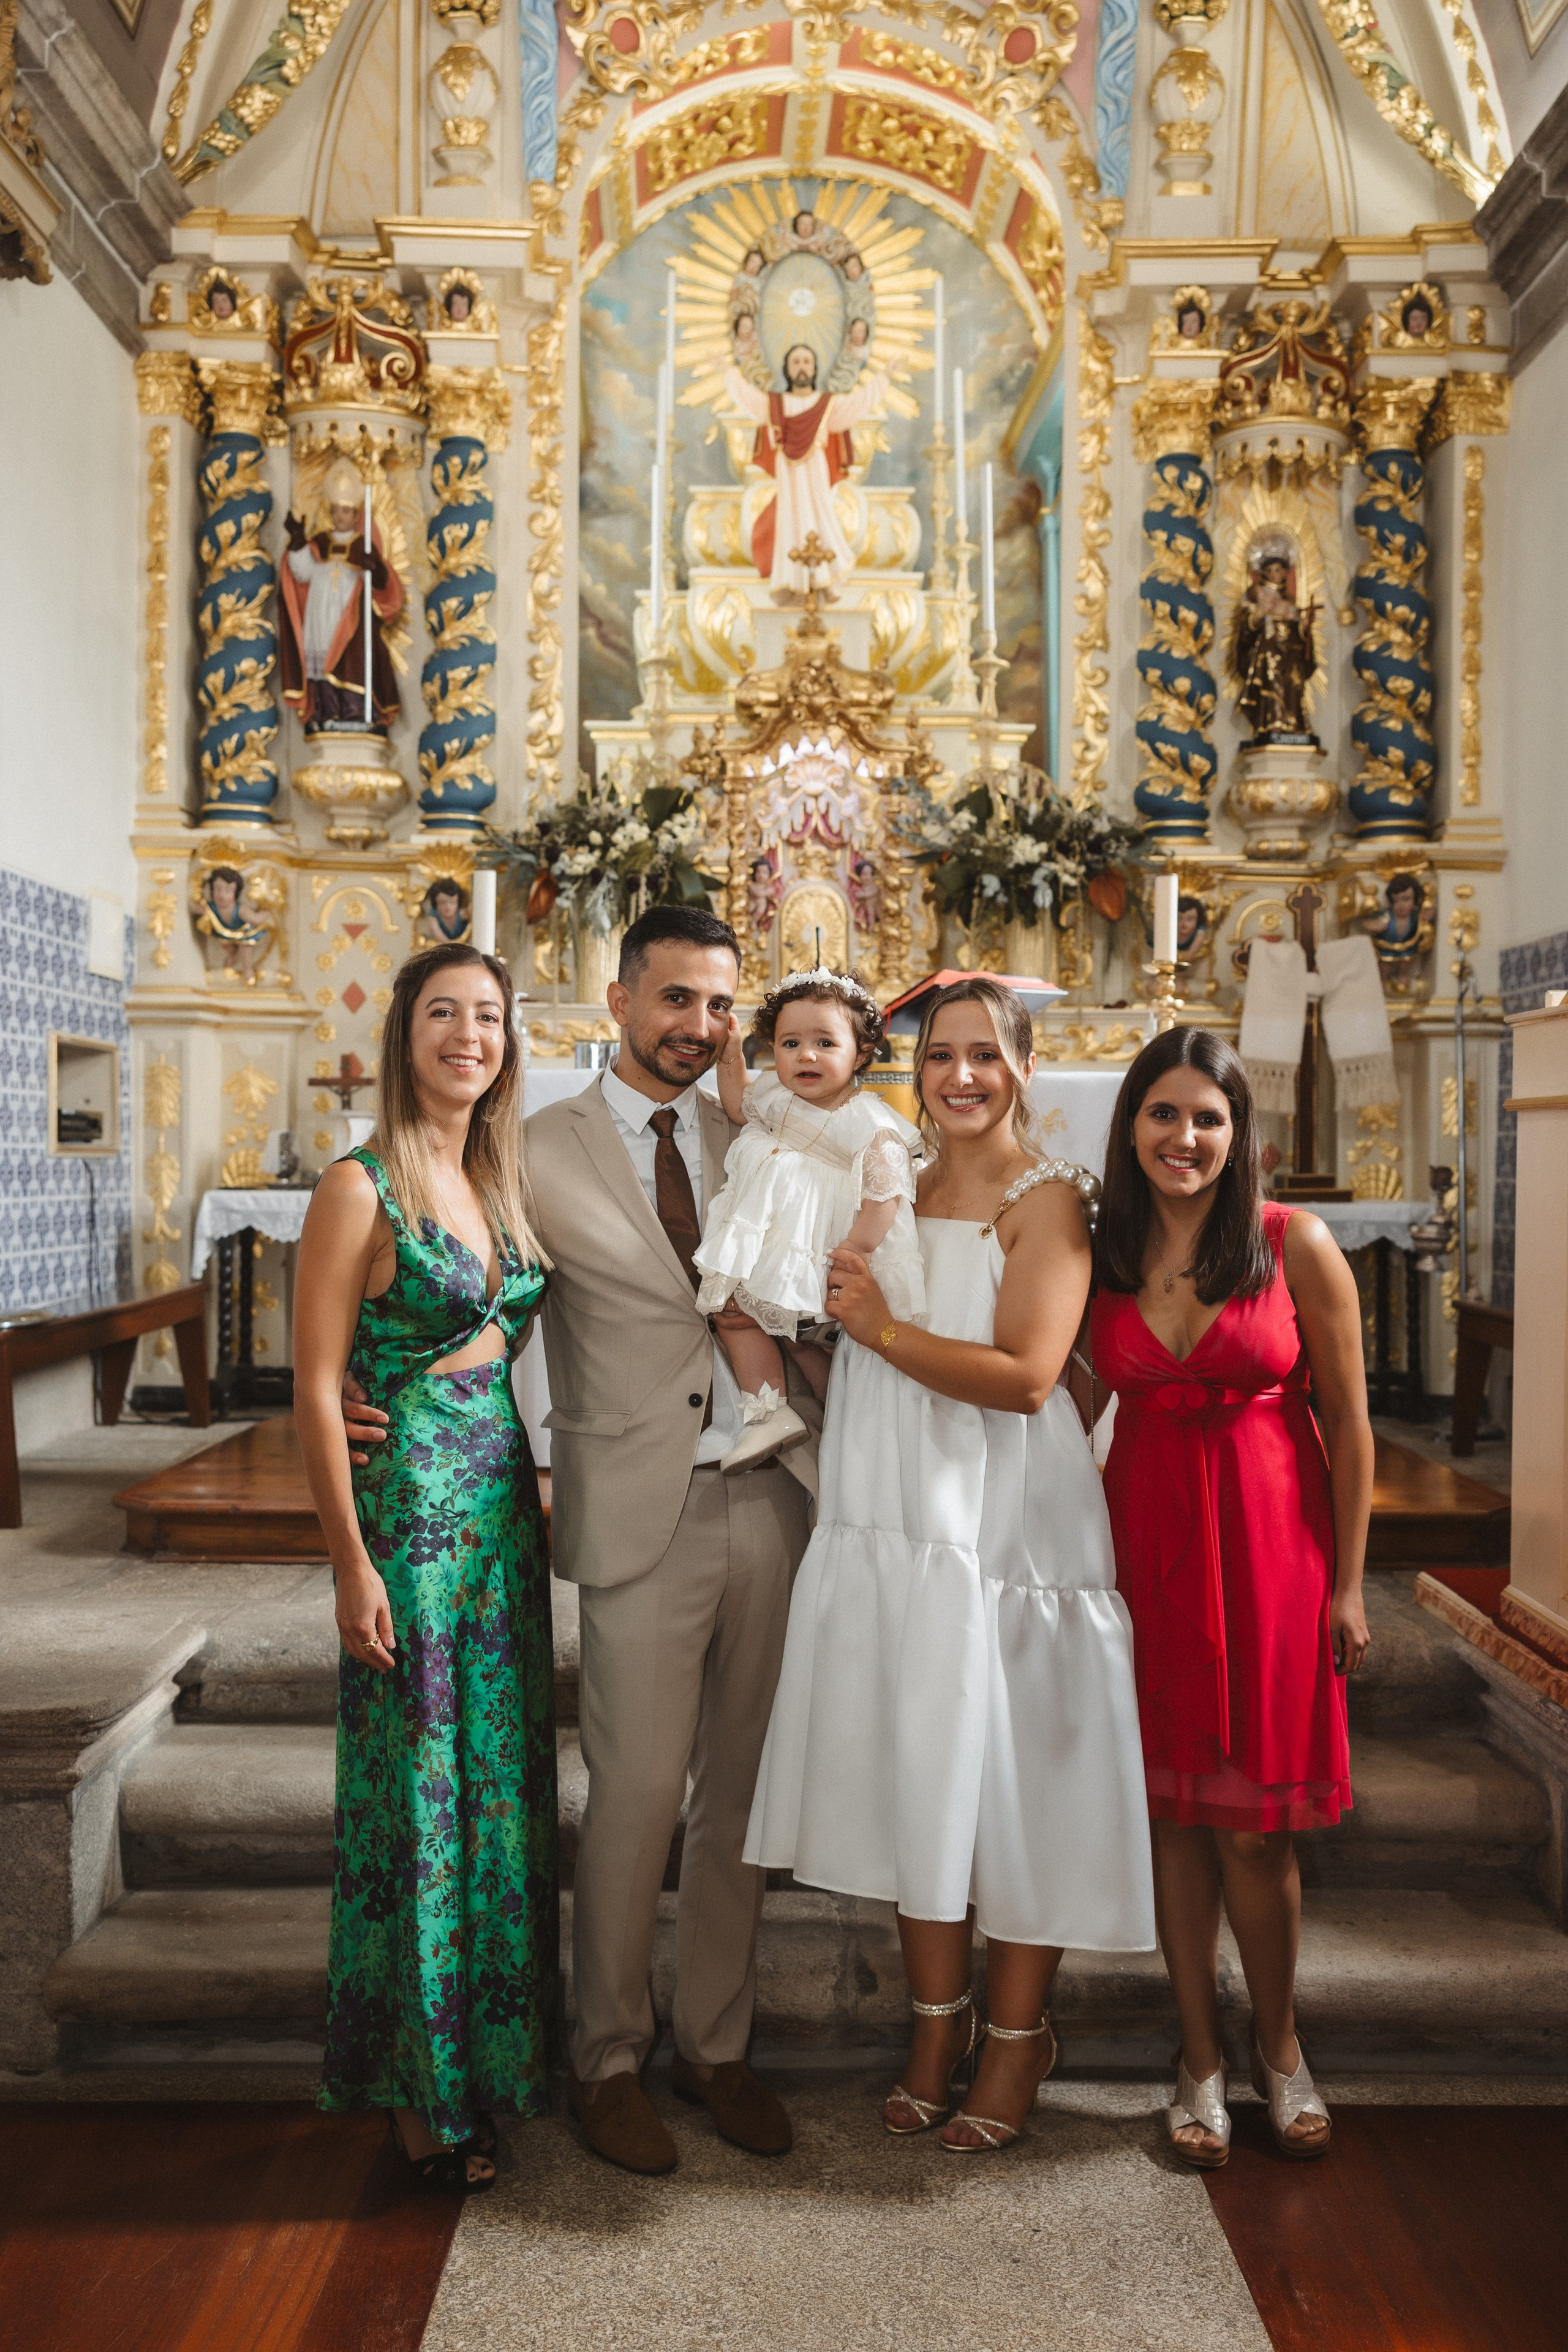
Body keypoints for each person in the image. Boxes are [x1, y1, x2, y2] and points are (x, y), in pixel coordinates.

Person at [343, 905, 823, 2177]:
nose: (699, 1029)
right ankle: (608, 2056)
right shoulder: (532, 1149)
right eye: (675, 1000)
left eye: (721, 1007)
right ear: (616, 1001)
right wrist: (375, 1381)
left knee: (738, 1800)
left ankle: (714, 2048)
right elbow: (466, 1275)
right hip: (634, 1509)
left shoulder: (766, 1135)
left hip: (772, 1492)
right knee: (631, 1795)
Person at [746, 979, 1156, 2153]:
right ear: (911, 1070)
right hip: (892, 1502)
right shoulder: (890, 1180)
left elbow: (1030, 1377)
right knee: (916, 1760)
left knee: (1014, 1772)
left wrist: (875, 1330)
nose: (961, 1077)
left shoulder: (1049, 1202)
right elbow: (856, 1345)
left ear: (1027, 1064)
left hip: (1006, 1514)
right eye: (940, 1058)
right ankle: (937, 2023)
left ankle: (1020, 2036)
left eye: (985, 1056)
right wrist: (825, 1352)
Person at [295, 941, 556, 2195]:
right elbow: (309, 1384)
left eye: (489, 1016)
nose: (468, 1034)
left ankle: (495, 2059)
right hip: (408, 1520)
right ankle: (420, 2090)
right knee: (418, 1803)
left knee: (492, 1796)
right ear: (405, 1035)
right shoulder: (360, 1185)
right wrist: (350, 1565)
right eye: (444, 1014)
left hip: (500, 1513)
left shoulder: (495, 1174)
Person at [1088, 1026, 1371, 2167]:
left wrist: (1349, 1585)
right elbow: (1044, 1393)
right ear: (1132, 1126)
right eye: (1164, 1114)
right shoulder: (1101, 1247)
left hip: (1271, 1548)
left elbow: (1350, 1427)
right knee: (1172, 1820)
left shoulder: (1294, 1245)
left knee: (1255, 1832)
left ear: (1238, 1132)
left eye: (1209, 1117)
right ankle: (1198, 2058)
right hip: (1142, 1541)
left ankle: (1283, 2046)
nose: (1186, 1138)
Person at [693, 967, 925, 1474]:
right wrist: (730, 1056)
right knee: (738, 1313)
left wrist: (854, 1253)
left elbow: (885, 1193)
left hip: (829, 1250)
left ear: (862, 1052)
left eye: (825, 1042)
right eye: (790, 1042)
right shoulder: (777, 1095)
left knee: (813, 1346)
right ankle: (766, 1413)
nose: (806, 1055)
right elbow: (737, 1103)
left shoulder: (868, 1119)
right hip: (782, 1246)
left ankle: (848, 1428)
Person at [724, 341, 886, 601]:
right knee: (789, 520)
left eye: (807, 362)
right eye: (796, 362)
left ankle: (827, 575)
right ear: (787, 370)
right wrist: (728, 374)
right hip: (787, 472)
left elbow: (857, 404)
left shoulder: (826, 404)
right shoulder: (775, 404)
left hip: (815, 470)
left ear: (814, 369)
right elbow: (749, 399)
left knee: (820, 515)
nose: (802, 368)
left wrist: (884, 378)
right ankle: (789, 578)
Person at [280, 457, 403, 734]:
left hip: (350, 617)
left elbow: (382, 583)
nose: (340, 517)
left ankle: (354, 711)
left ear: (356, 515)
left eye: (346, 512)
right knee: (321, 661)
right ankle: (325, 710)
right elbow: (302, 573)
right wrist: (298, 540)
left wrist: (375, 568)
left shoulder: (363, 545)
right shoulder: (320, 543)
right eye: (335, 511)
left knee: (352, 661)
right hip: (320, 614)